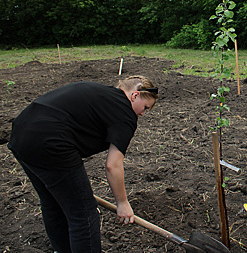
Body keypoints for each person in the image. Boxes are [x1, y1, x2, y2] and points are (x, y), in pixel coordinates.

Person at [8, 76, 159, 253]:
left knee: (53, 203)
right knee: (84, 214)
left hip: (21, 135)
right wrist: (123, 202)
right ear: (134, 96)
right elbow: (113, 165)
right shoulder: (125, 113)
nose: (142, 113)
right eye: (145, 107)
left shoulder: (101, 94)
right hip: (51, 144)